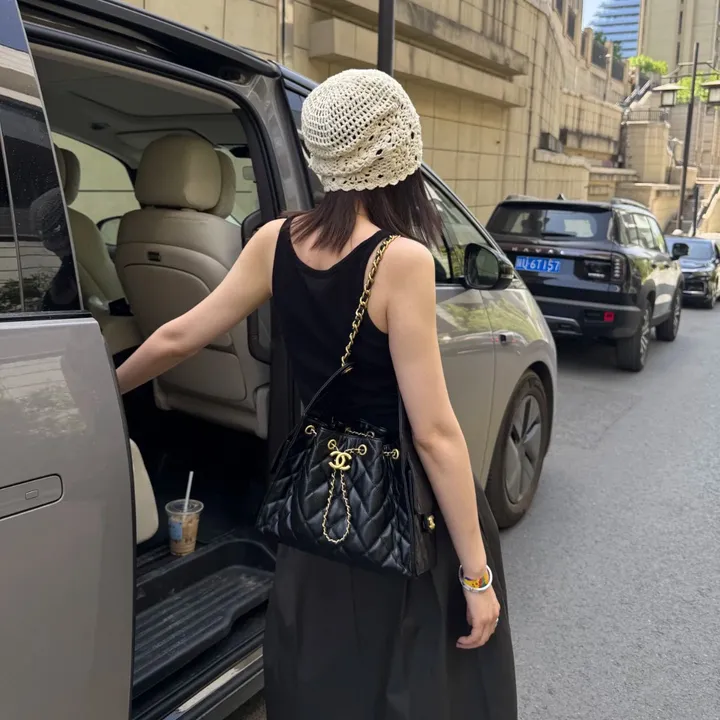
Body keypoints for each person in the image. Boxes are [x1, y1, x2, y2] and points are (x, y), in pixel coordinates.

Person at [116, 68, 517, 719]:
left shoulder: (273, 239)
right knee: (415, 681)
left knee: (318, 667)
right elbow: (434, 434)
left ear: (321, 157)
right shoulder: (402, 260)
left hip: (315, 496)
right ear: (399, 157)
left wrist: (101, 391)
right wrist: (476, 576)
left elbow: (179, 335)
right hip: (395, 505)